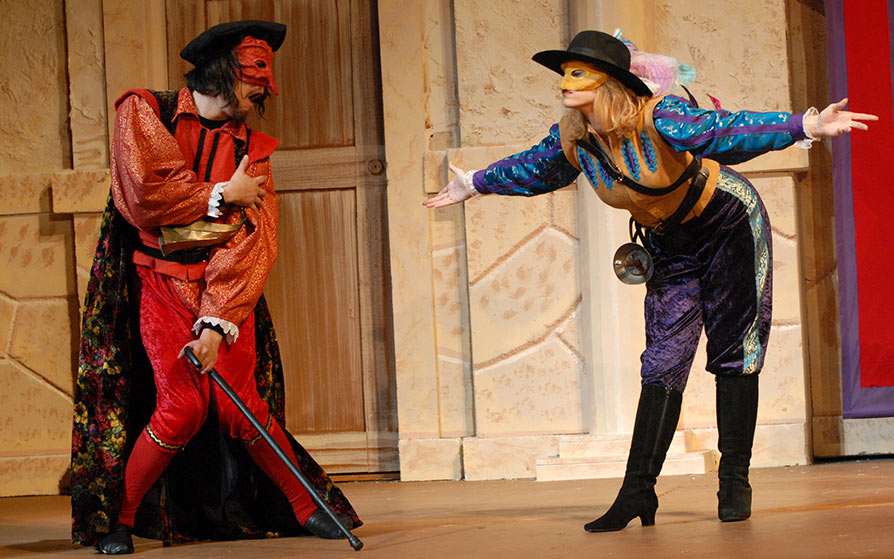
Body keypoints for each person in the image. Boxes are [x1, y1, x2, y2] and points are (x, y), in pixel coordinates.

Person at [424, 30, 875, 532]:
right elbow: (537, 167)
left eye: (578, 73)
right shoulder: (574, 136)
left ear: (610, 82)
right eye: (565, 73)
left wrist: (804, 124)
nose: (565, 82)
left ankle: (734, 481)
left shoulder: (658, 115)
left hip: (727, 222)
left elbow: (724, 131)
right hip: (668, 243)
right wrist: (475, 183)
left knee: (735, 350)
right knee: (662, 361)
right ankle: (637, 491)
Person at [71, 20, 360, 554]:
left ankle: (306, 507)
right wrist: (224, 194)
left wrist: (213, 323)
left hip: (220, 291)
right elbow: (145, 197)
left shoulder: (253, 148)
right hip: (158, 284)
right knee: (182, 408)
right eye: (255, 75)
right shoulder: (145, 111)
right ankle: (120, 520)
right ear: (225, 70)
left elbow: (252, 238)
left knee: (238, 404)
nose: (264, 89)